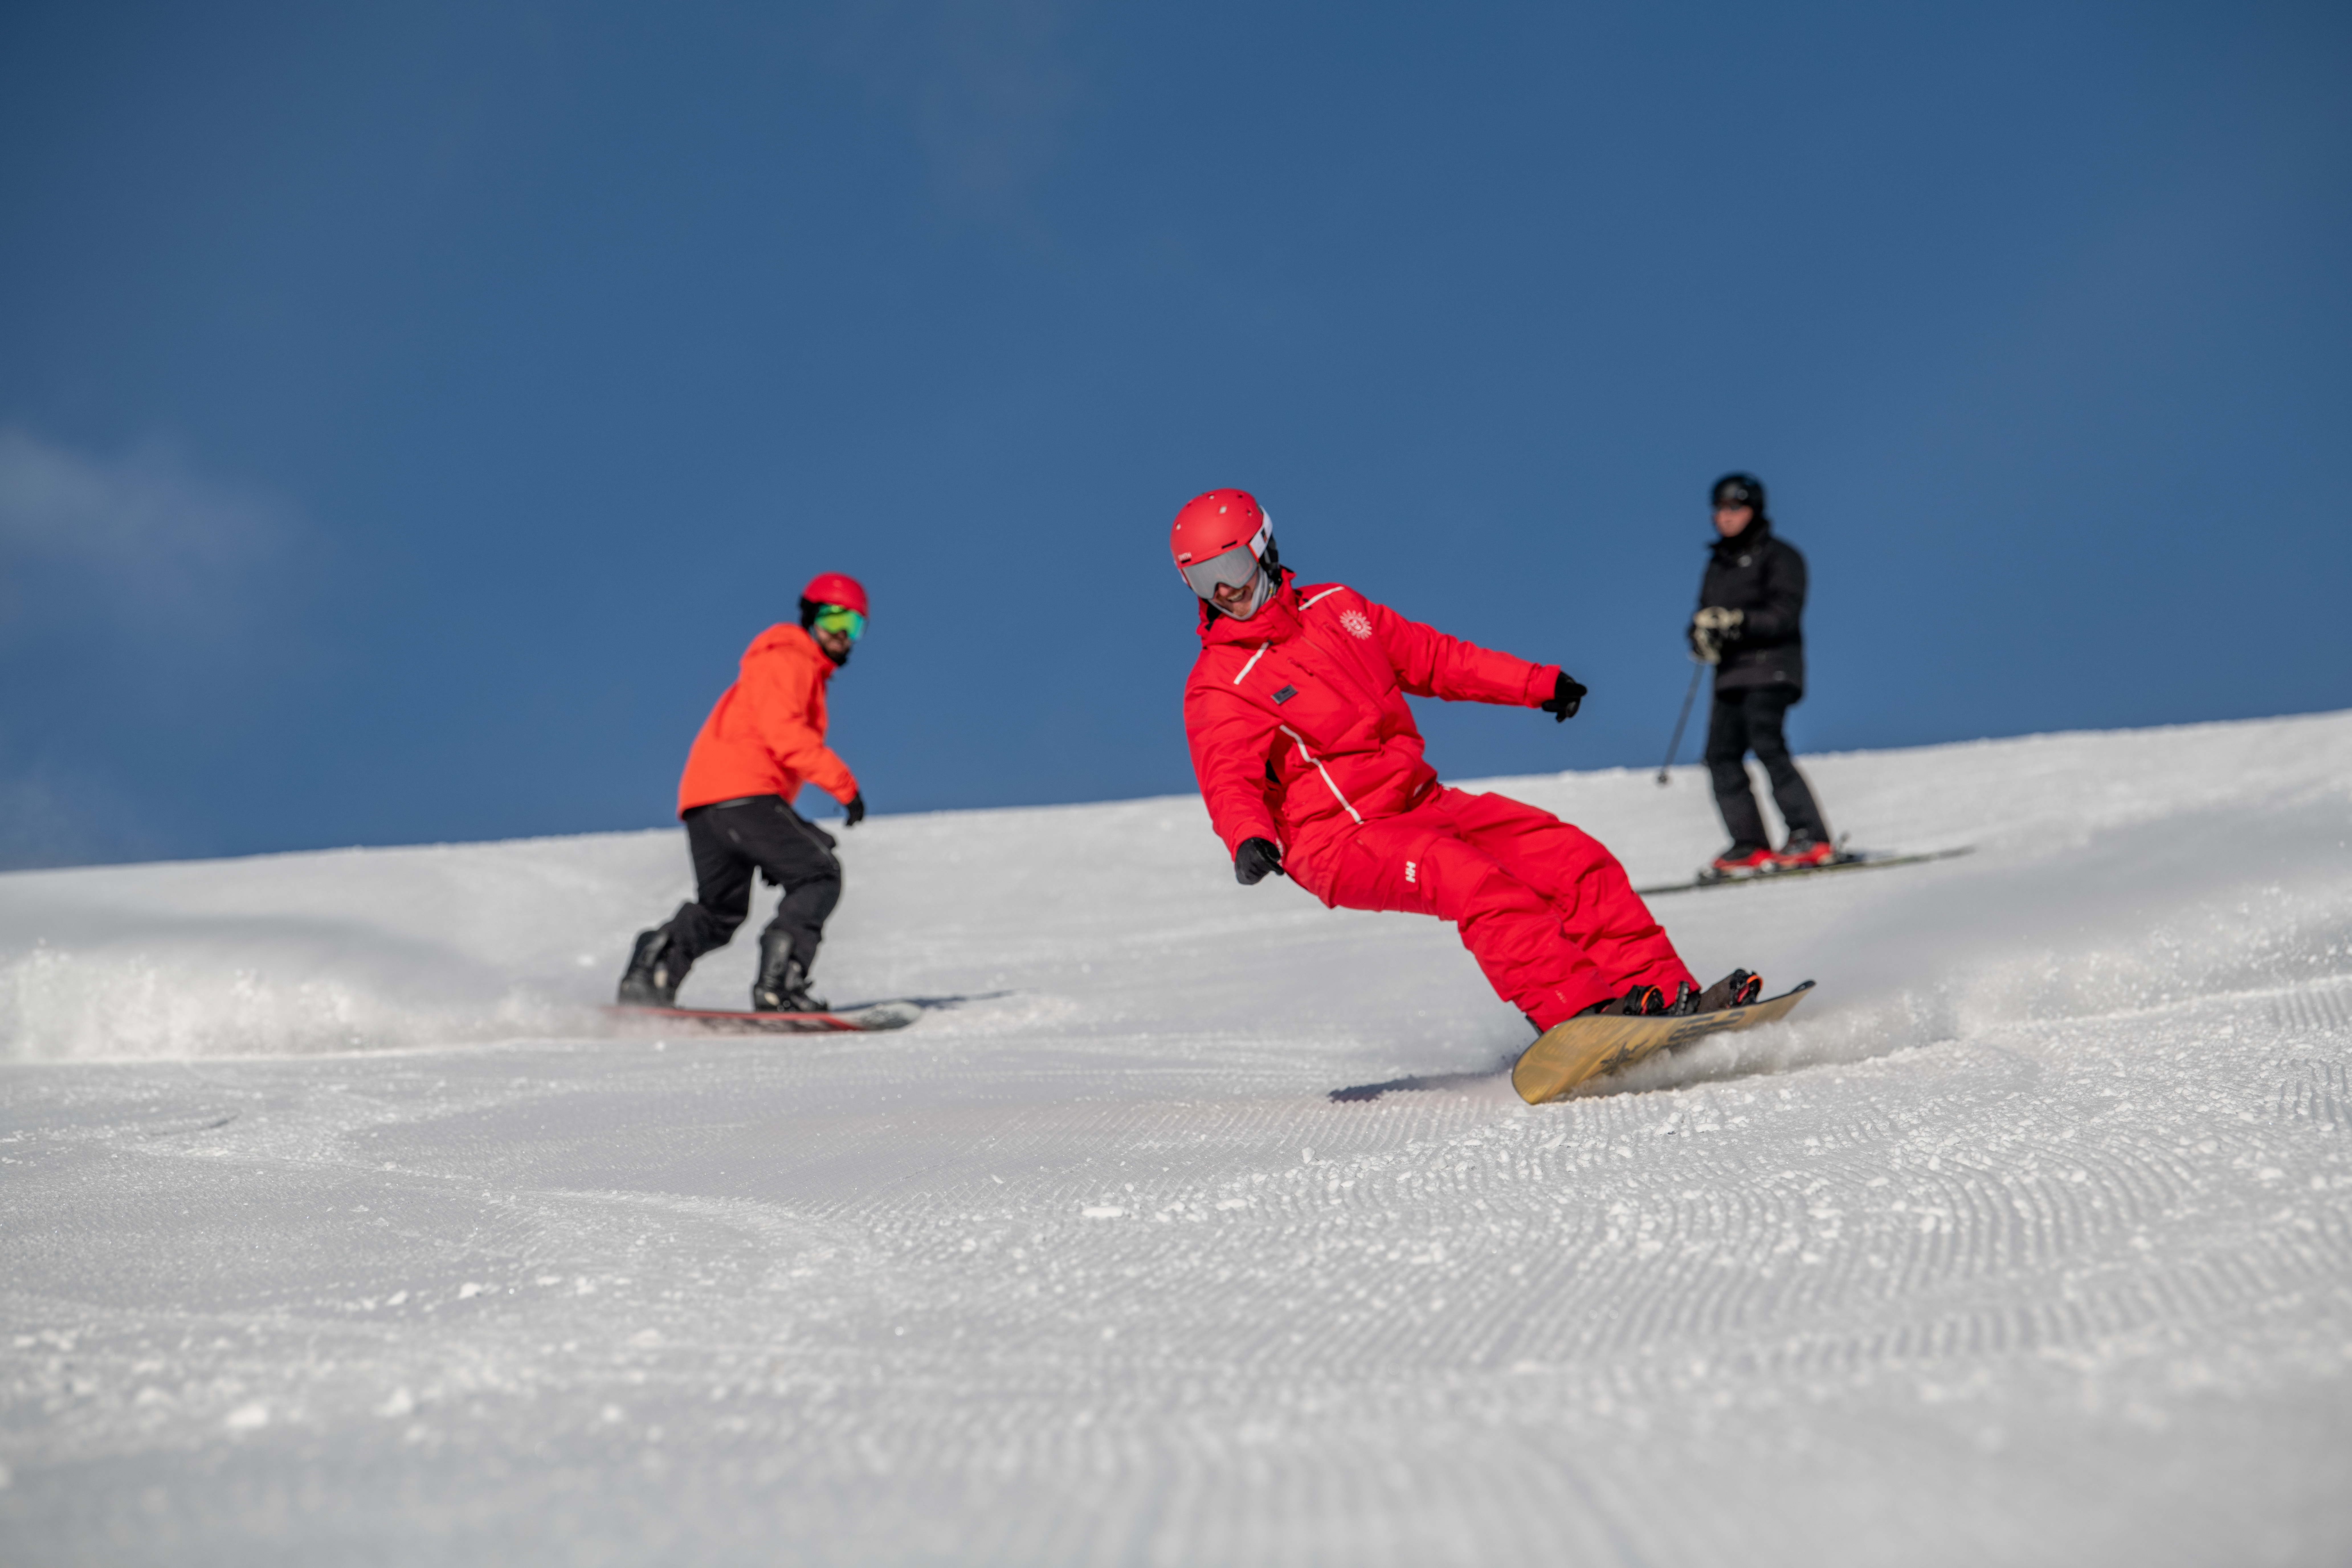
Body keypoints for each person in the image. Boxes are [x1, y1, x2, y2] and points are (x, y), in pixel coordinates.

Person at [1173, 488, 1759, 1028]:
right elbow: (1228, 775)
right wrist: (1249, 837)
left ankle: (1665, 995)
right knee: (1473, 881)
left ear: (1265, 550)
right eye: (1203, 581)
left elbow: (1438, 660)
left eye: (1231, 570)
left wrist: (1536, 683)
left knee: (1571, 859)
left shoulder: (1338, 607)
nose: (1224, 592)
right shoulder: (1220, 683)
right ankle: (1578, 1016)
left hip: (1423, 805)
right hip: (1339, 840)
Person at [616, 572, 871, 1013]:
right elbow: (784, 735)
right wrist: (844, 787)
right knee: (819, 875)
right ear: (811, 617)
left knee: (721, 912)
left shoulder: (782, 663)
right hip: (744, 794)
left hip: (708, 802)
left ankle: (651, 972)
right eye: (834, 620)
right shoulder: (790, 658)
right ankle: (781, 983)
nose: (842, 635)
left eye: (854, 627)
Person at [1687, 473, 1835, 876]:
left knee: (1768, 745)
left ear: (1753, 510)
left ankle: (1810, 834)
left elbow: (1785, 615)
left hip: (1772, 668)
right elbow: (1703, 614)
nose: (1725, 517)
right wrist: (1701, 636)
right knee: (1720, 757)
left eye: (1734, 508)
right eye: (1719, 509)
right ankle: (1749, 843)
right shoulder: (1718, 564)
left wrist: (1737, 622)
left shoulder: (1780, 556)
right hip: (1730, 675)